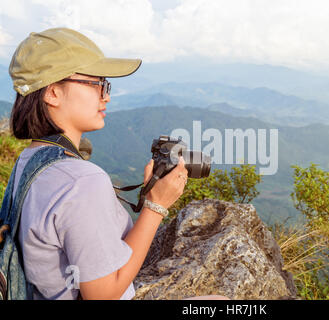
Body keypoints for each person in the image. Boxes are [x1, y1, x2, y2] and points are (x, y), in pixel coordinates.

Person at [7, 27, 228, 300]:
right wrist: (155, 206)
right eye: (96, 84)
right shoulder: (80, 181)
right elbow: (103, 295)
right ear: (52, 93)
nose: (106, 96)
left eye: (105, 85)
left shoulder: (28, 162)